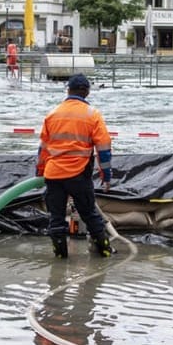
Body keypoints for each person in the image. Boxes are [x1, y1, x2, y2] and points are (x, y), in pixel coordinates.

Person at [36, 74, 113, 259]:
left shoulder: (52, 114)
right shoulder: (92, 114)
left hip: (53, 175)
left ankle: (60, 258)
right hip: (78, 174)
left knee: (56, 218)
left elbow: (43, 149)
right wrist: (106, 176)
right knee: (89, 214)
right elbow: (103, 148)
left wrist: (39, 172)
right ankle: (105, 252)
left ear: (68, 90)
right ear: (86, 91)